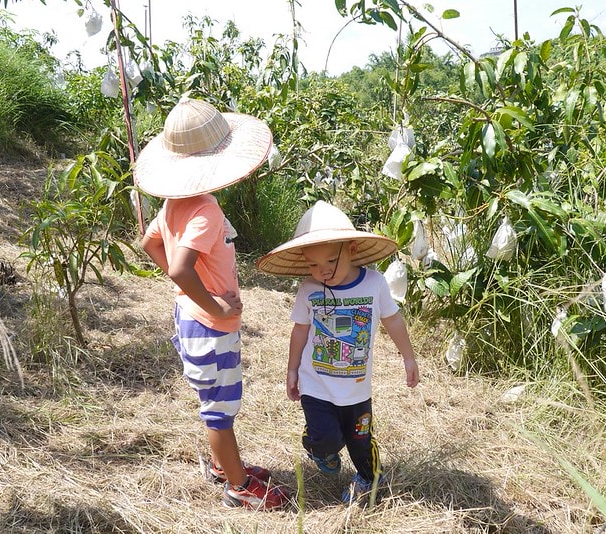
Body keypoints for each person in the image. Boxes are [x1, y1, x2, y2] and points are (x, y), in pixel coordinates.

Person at [136, 96, 289, 510]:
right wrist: (216, 305)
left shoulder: (175, 203)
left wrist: (193, 292)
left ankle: (225, 466)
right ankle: (239, 487)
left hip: (192, 319)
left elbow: (150, 243)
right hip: (209, 326)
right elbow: (179, 268)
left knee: (216, 402)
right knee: (219, 410)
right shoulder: (204, 211)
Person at [256, 200, 420, 504]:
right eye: (313, 265)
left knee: (360, 440)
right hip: (315, 383)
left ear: (352, 249)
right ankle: (319, 447)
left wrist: (408, 357)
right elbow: (300, 330)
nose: (323, 271)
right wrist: (292, 370)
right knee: (325, 438)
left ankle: (369, 477)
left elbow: (393, 320)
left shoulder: (374, 284)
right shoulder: (309, 289)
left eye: (331, 261)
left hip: (356, 389)